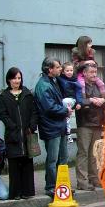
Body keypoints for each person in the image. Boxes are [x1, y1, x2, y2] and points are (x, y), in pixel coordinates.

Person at [0, 67, 39, 200]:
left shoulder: (27, 94)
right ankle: (15, 192)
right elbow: (3, 114)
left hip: (27, 133)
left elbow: (34, 111)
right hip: (13, 134)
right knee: (15, 164)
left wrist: (32, 126)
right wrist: (12, 126)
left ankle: (27, 191)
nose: (17, 81)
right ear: (9, 80)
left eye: (19, 78)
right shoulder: (4, 96)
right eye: (14, 78)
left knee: (27, 162)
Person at [34, 57, 72, 198]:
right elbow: (49, 107)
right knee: (52, 159)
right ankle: (50, 186)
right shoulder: (43, 85)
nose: (60, 69)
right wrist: (65, 111)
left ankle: (62, 186)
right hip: (51, 127)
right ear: (50, 69)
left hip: (58, 125)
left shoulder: (53, 81)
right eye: (57, 67)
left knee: (63, 158)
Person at [75, 63, 105, 191]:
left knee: (95, 153)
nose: (94, 74)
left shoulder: (99, 85)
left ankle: (94, 178)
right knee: (83, 152)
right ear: (84, 73)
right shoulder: (79, 85)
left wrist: (103, 100)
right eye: (91, 72)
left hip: (98, 123)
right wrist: (90, 101)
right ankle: (82, 181)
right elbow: (77, 101)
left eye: (95, 72)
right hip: (84, 122)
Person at [59, 61, 80, 143]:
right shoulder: (60, 79)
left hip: (71, 100)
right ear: (63, 72)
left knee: (67, 113)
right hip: (63, 101)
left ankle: (68, 133)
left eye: (71, 70)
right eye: (67, 70)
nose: (69, 72)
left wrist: (79, 102)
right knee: (65, 115)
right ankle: (67, 132)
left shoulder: (75, 80)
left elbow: (78, 92)